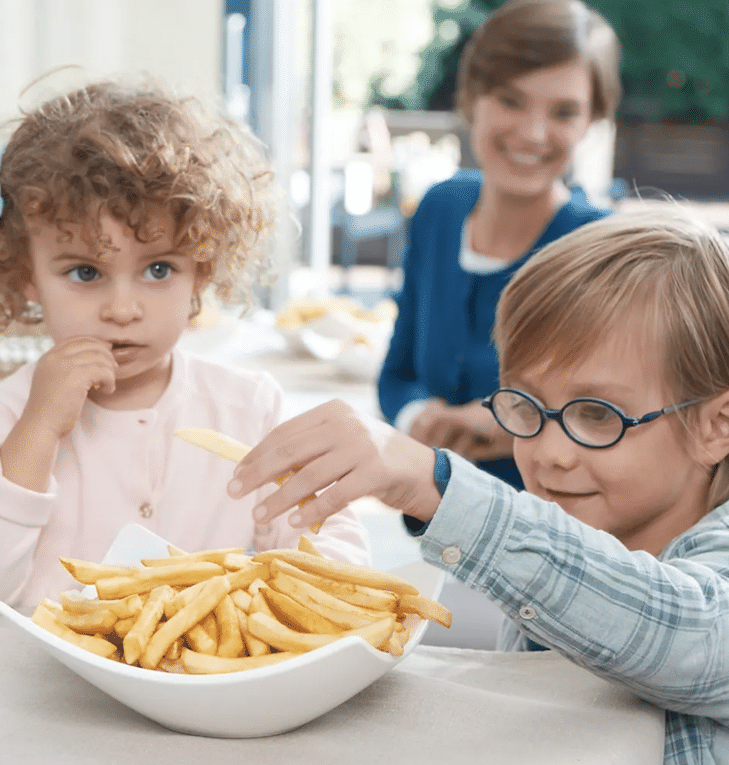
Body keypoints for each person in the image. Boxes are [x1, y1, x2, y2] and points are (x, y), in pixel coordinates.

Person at [230, 208, 729, 763]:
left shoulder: (708, 581)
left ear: (717, 428)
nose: (551, 454)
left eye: (598, 414)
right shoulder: (562, 544)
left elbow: (688, 633)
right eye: (528, 405)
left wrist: (437, 485)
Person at [0, 76, 370, 619]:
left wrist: (314, 574)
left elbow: (334, 555)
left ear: (200, 271)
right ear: (27, 277)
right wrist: (38, 431)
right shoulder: (7, 415)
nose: (123, 308)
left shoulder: (248, 407)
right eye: (85, 272)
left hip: (211, 699)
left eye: (159, 269)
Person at [378, 0, 622, 491]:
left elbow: (617, 426)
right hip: (428, 521)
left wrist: (510, 426)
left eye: (564, 112)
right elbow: (397, 373)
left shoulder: (601, 251)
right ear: (471, 98)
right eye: (510, 100)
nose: (532, 133)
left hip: (546, 531)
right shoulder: (440, 209)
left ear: (592, 122)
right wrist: (420, 419)